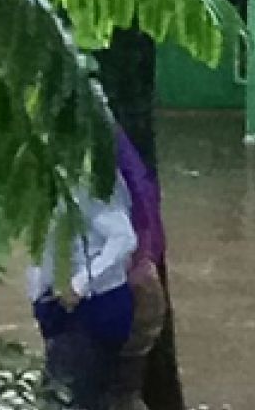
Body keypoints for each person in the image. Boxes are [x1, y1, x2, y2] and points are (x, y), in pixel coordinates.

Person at [28, 174, 137, 410]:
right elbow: (44, 248)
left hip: (95, 308)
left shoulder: (84, 179)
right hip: (60, 309)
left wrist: (80, 284)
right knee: (71, 396)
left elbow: (124, 237)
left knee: (65, 398)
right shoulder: (41, 183)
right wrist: (38, 298)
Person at [107, 129, 169, 410]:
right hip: (145, 281)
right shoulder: (135, 172)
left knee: (117, 390)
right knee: (126, 389)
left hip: (128, 287)